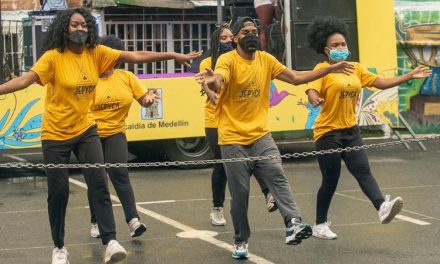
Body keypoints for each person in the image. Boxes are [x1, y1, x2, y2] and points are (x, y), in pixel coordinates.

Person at [0, 8, 200, 264]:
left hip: (86, 129)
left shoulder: (97, 54)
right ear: (64, 28)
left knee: (98, 183)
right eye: (74, 25)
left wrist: (173, 53)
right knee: (58, 192)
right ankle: (59, 248)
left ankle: (110, 241)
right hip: (55, 133)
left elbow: (137, 55)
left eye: (84, 25)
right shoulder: (53, 58)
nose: (80, 29)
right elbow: (25, 81)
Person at [195, 16, 354, 259]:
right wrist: (213, 80)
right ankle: (241, 241)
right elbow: (220, 79)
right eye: (245, 31)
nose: (251, 34)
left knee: (277, 176)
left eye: (254, 30)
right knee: (240, 195)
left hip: (261, 135)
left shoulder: (266, 60)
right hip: (232, 139)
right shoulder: (227, 60)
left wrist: (330, 68)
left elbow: (295, 78)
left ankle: (293, 224)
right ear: (236, 38)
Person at [305, 16, 431, 240]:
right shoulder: (323, 69)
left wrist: (409, 75)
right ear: (326, 50)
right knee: (330, 180)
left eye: (343, 44)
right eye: (335, 45)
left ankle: (382, 207)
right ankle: (320, 224)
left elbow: (380, 83)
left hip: (351, 131)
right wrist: (314, 98)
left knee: (363, 171)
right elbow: (311, 89)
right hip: (327, 133)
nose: (341, 48)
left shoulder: (356, 69)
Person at [199, 24, 278, 226]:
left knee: (257, 158)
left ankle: (269, 193)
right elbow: (209, 85)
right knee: (221, 165)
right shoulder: (209, 63)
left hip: (239, 120)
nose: (227, 41)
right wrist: (213, 93)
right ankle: (217, 207)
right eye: (223, 39)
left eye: (229, 38)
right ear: (217, 42)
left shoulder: (245, 60)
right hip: (215, 120)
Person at [87, 35, 159, 239]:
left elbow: (143, 99)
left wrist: (148, 100)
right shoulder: (88, 79)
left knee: (120, 175)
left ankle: (133, 221)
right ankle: (96, 221)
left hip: (116, 132)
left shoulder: (126, 77)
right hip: (90, 135)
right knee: (97, 178)